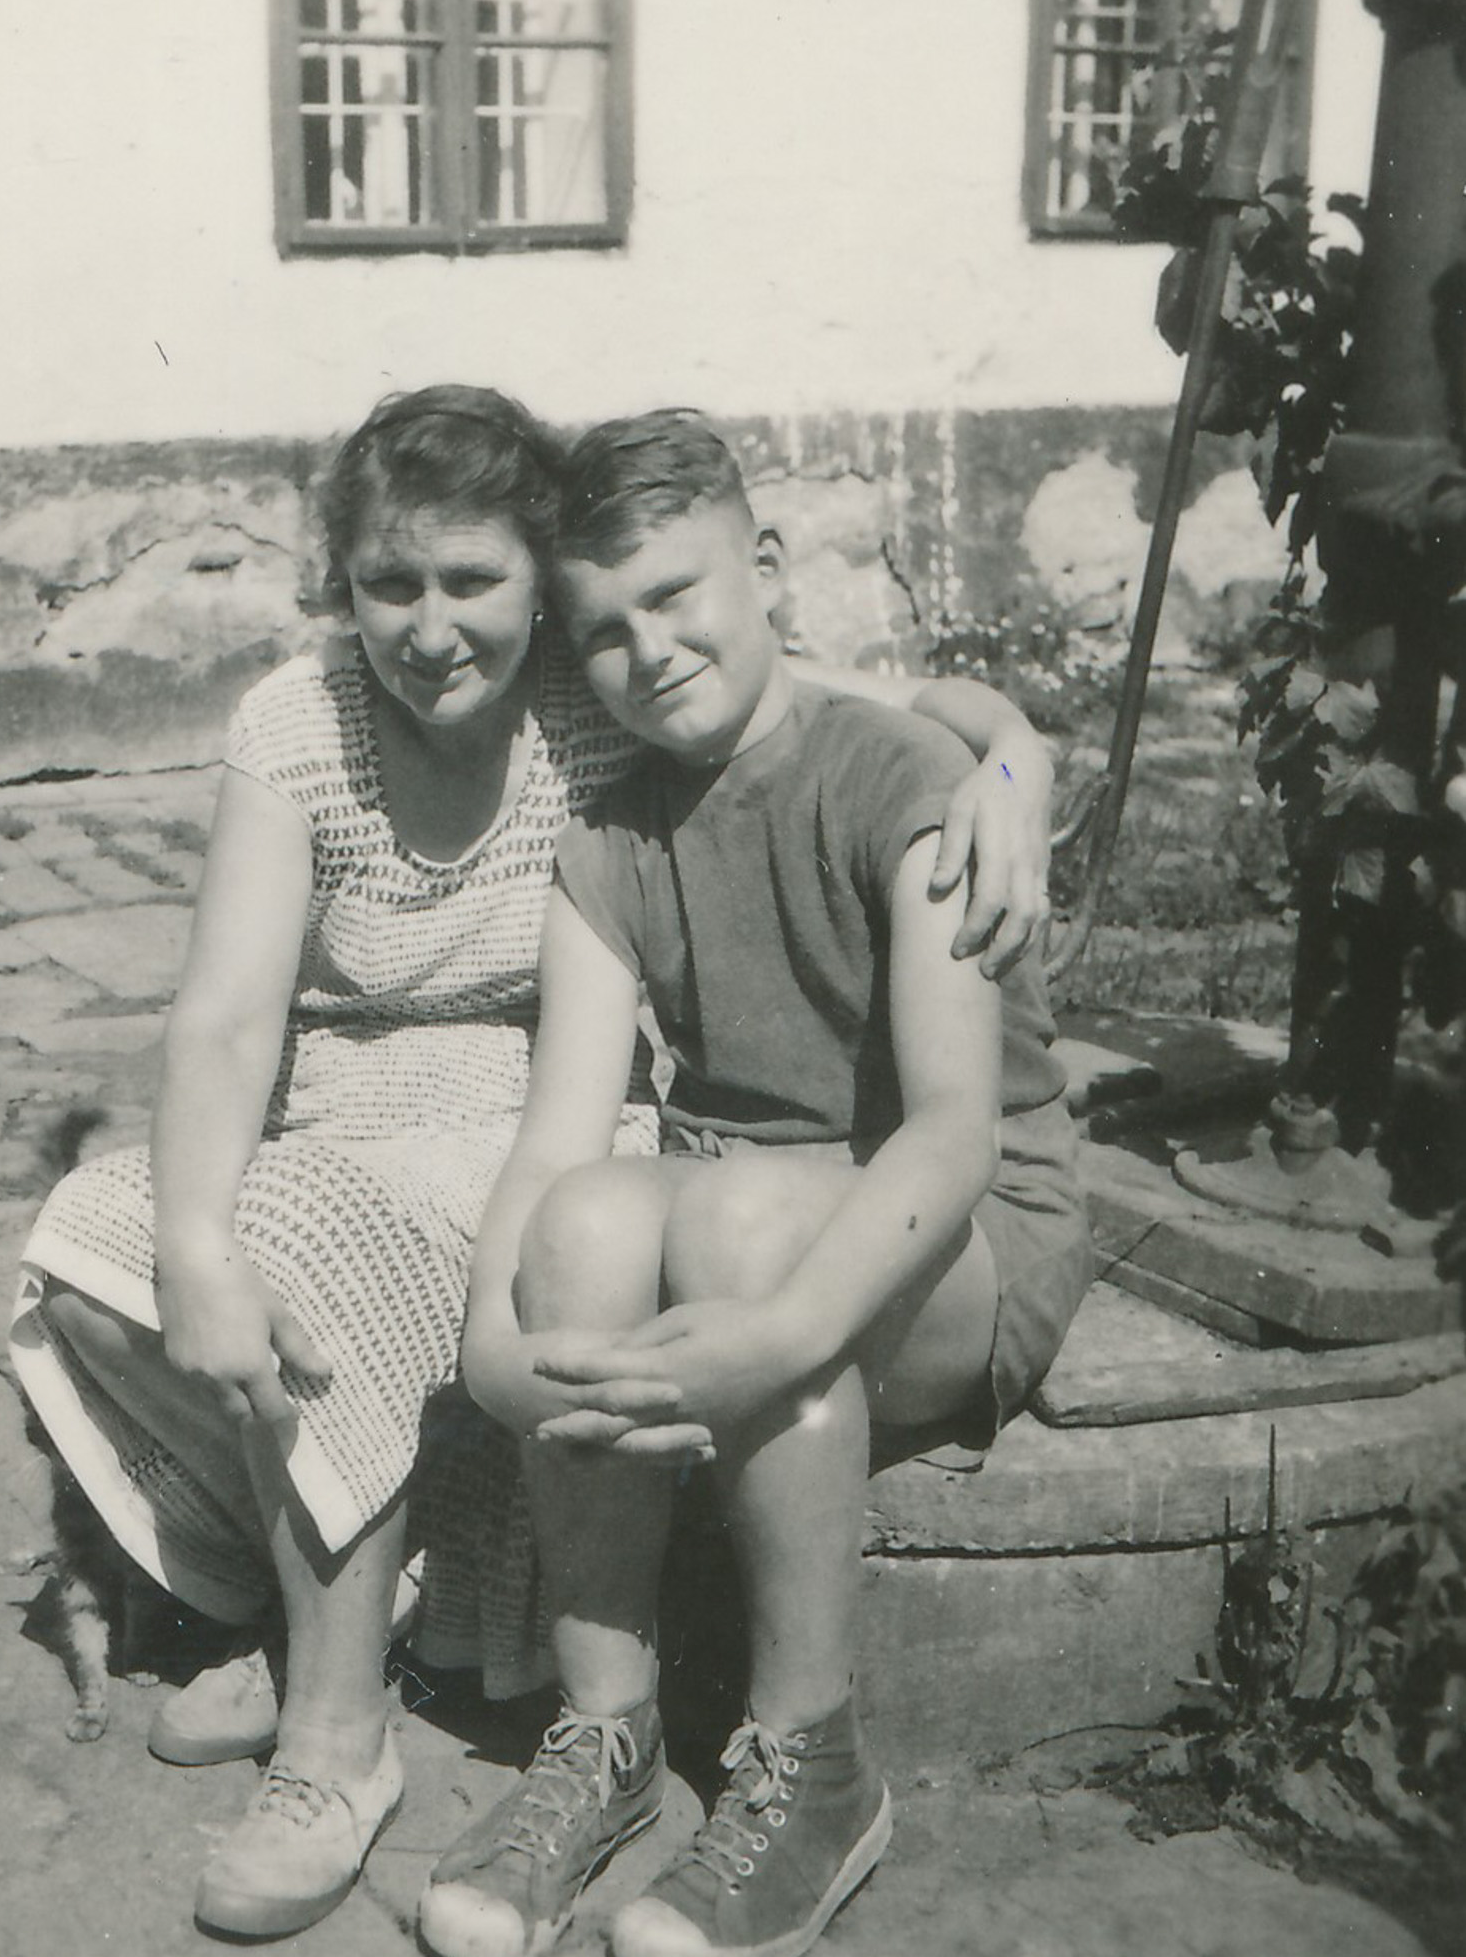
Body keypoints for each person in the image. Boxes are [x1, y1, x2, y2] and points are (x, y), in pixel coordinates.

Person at [6, 387, 1057, 1940]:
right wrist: (422, 1324)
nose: (434, 628)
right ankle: (575, 1717)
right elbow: (339, 1059)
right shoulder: (520, 795)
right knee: (494, 1229)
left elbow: (951, 1106)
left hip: (821, 1201)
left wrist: (1016, 755)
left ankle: (746, 1764)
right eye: (392, 583)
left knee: (666, 1228)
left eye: (475, 582)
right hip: (600, 1169)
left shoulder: (756, 737)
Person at [422, 412, 1092, 1957]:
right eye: (604, 629)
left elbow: (953, 1134)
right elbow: (555, 1139)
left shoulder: (902, 776)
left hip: (962, 1238)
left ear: (767, 567)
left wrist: (778, 1339)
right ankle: (606, 1730)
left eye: (676, 594)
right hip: (764, 1222)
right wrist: (493, 1344)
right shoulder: (613, 842)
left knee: (728, 1220)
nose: (650, 651)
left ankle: (813, 1768)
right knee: (587, 1220)